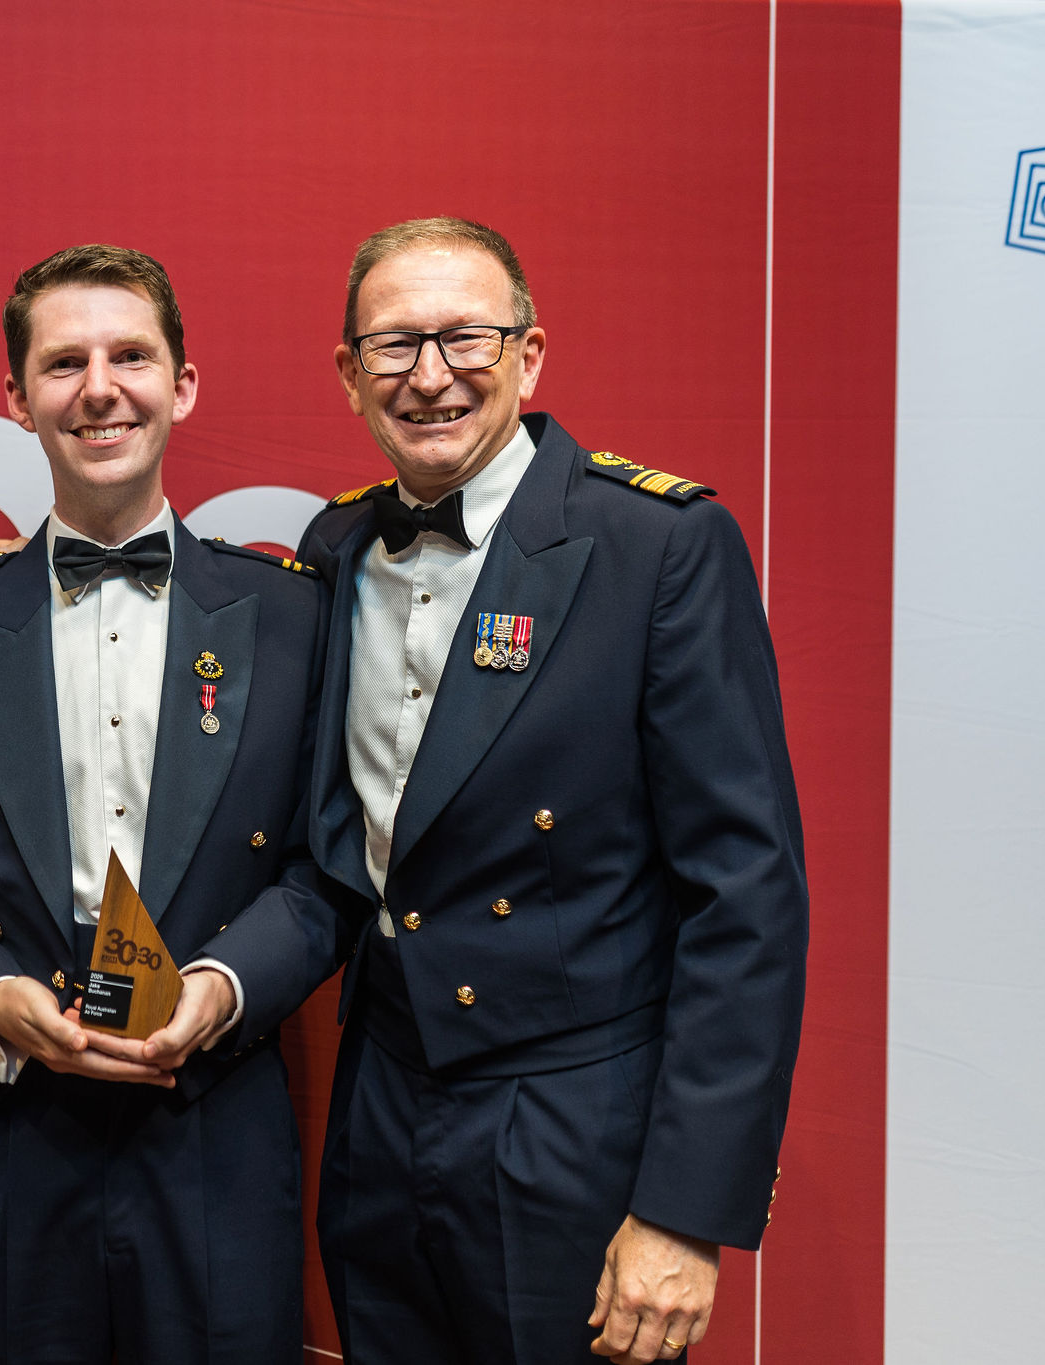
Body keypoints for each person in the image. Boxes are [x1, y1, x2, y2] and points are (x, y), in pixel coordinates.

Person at [297, 218, 807, 1364]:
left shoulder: (656, 547)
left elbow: (744, 898)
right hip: (380, 1109)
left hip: (573, 1122)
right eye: (392, 345)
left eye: (465, 338)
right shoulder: (332, 549)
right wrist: (20, 577)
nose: (429, 374)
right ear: (348, 374)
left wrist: (682, 1210)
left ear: (527, 357)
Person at [0, 244, 345, 1364]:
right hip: (8, 1139)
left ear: (181, 385)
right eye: (64, 363)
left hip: (216, 1127)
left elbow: (323, 871)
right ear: (17, 398)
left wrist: (220, 988)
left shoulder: (294, 617)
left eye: (130, 356)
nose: (100, 389)